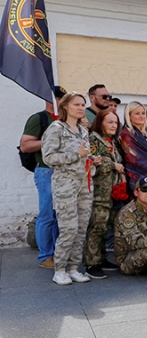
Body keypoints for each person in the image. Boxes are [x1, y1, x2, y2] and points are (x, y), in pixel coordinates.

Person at [41, 92, 100, 285]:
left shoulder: (83, 130)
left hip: (84, 183)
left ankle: (74, 268)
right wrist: (77, 154)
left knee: (81, 228)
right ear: (65, 106)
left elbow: (84, 154)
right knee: (69, 228)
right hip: (65, 185)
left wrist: (91, 159)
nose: (81, 108)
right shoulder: (56, 128)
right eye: (77, 104)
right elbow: (48, 158)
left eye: (83, 104)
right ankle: (60, 269)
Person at [19, 86, 66, 269]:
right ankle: (45, 256)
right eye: (59, 98)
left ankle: (56, 252)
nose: (62, 101)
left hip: (63, 172)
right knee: (47, 214)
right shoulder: (39, 118)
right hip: (46, 170)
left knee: (58, 214)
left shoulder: (65, 120)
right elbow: (25, 146)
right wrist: (49, 140)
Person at [84, 109, 125, 279]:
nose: (113, 125)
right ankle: (91, 263)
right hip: (99, 192)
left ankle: (100, 258)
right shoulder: (93, 139)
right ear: (100, 122)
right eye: (109, 122)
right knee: (97, 226)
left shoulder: (112, 141)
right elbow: (92, 162)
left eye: (115, 122)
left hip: (109, 191)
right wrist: (112, 165)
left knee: (104, 225)